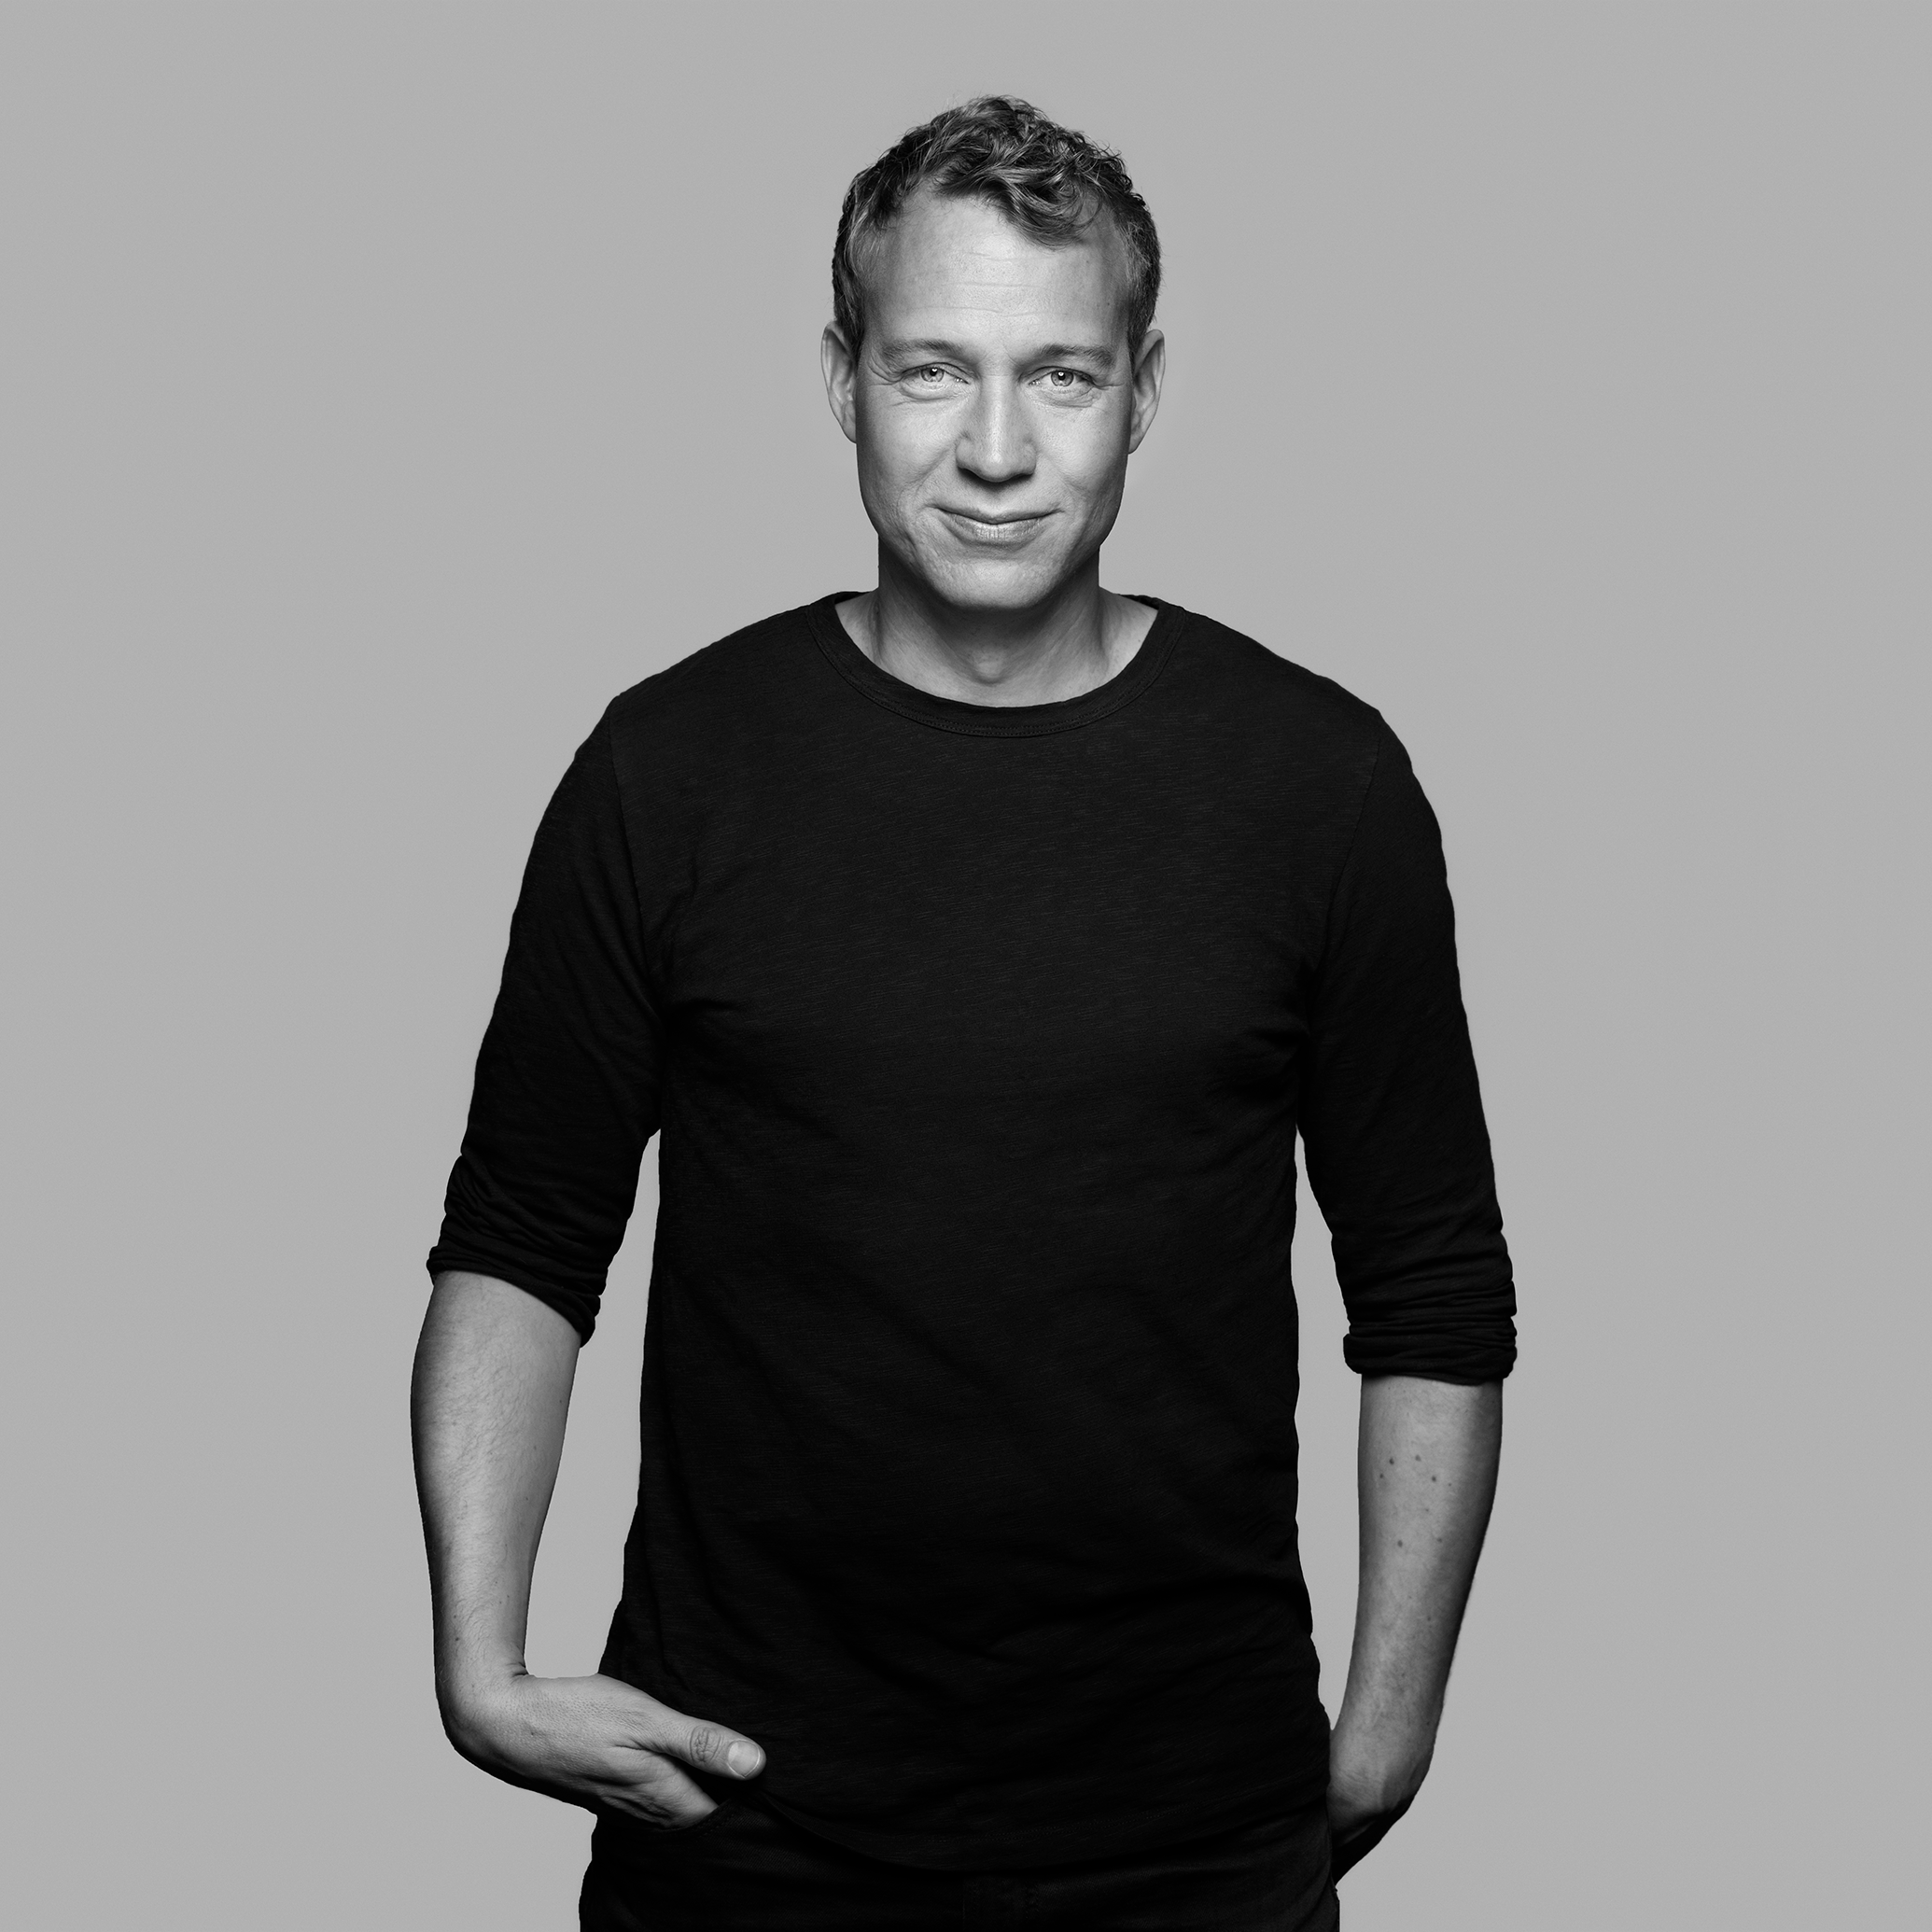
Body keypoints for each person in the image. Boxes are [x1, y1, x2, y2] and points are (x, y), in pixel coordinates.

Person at [413, 95, 1514, 1930]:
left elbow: (1432, 1289)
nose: (995, 451)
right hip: (743, 1834)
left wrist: (1386, 1734)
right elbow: (524, 1241)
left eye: (1059, 376)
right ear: (840, 380)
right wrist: (479, 1665)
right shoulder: (665, 771)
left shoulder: (1319, 785)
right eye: (932, 370)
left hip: (1191, 1844)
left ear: (1141, 393)